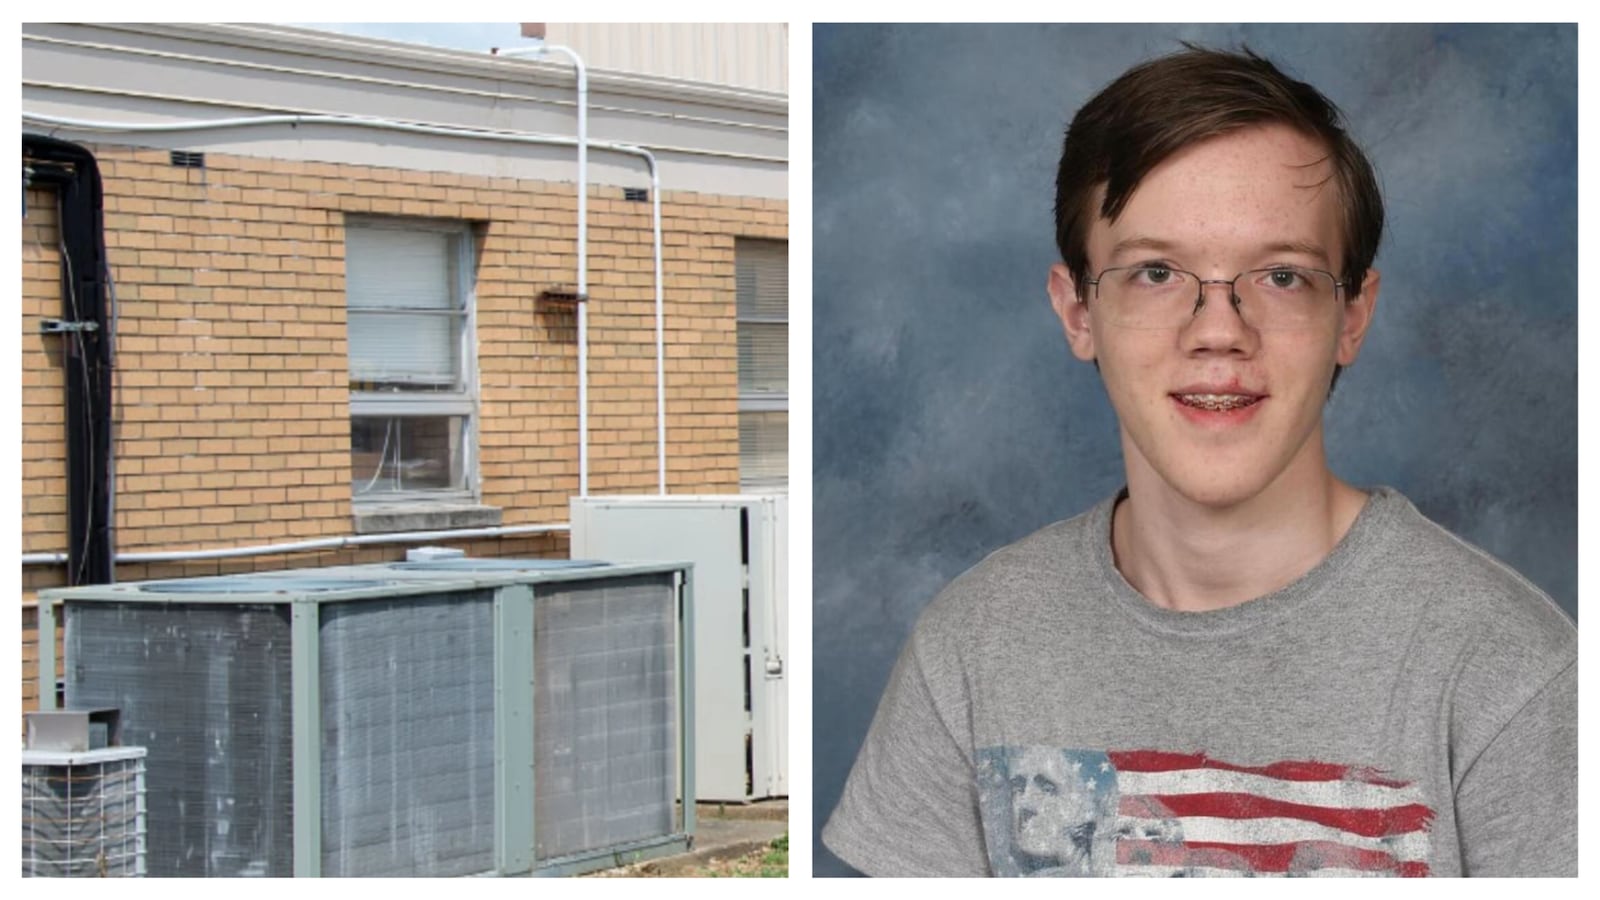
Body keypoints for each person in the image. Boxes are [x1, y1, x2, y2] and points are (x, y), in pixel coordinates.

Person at [820, 45, 1577, 878]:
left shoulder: (1510, 677)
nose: (1218, 330)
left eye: (1282, 276)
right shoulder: (968, 653)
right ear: (1078, 311)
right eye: (1155, 272)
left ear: (1352, 315)